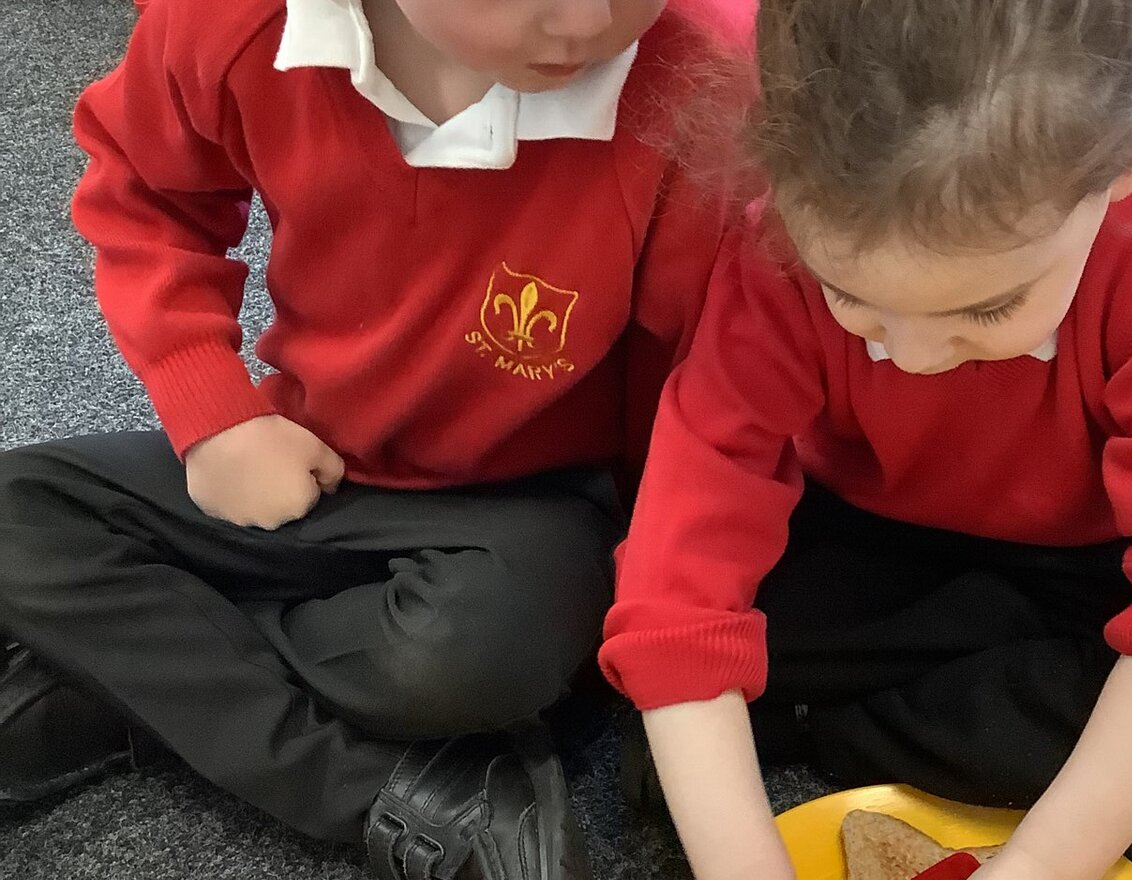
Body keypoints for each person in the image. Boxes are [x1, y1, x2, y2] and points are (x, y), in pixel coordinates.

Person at [0, 0, 749, 877]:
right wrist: (212, 413)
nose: (584, 21)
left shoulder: (702, 88)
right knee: (18, 516)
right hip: (305, 464)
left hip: (520, 515)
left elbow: (695, 384)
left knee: (475, 653)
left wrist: (642, 580)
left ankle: (136, 672)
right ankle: (357, 770)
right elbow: (145, 191)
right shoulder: (229, 21)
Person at [599, 2, 1132, 879]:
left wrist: (1041, 864)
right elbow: (688, 557)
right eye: (851, 296)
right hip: (859, 531)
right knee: (624, 616)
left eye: (987, 309)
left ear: (1125, 163)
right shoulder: (772, 243)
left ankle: (810, 722)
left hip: (1090, 554)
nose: (912, 359)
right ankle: (879, 709)